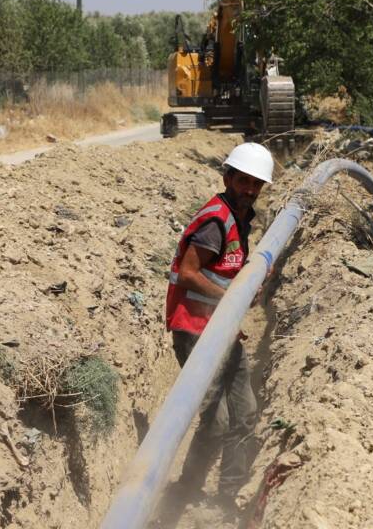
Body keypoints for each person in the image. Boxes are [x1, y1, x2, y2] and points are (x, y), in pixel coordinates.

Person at [162, 141, 274, 511]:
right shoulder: (215, 222)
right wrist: (232, 300)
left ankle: (229, 497)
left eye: (257, 184)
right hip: (194, 330)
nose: (251, 190)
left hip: (220, 325)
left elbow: (225, 267)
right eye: (244, 182)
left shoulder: (240, 216)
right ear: (228, 177)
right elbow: (187, 274)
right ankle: (186, 492)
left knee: (244, 412)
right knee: (216, 421)